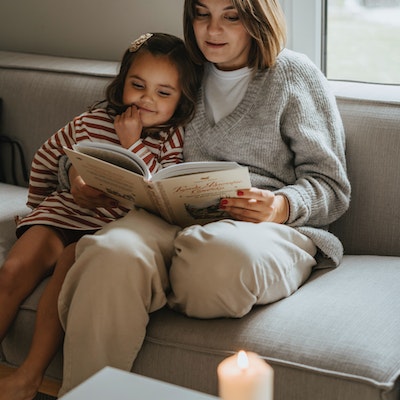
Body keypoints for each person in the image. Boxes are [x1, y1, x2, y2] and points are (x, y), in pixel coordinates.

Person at [56, 0, 350, 395]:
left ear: (257, 20)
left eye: (231, 16)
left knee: (218, 259)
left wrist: (281, 205)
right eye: (202, 14)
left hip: (263, 227)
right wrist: (78, 175)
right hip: (166, 218)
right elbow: (100, 128)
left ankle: (161, 278)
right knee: (109, 254)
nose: (213, 30)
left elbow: (331, 185)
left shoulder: (293, 75)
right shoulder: (181, 71)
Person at [0, 32, 200, 400]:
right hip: (66, 213)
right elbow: (52, 156)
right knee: (13, 270)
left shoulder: (173, 138)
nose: (146, 99)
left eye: (163, 93)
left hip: (109, 228)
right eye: (137, 85)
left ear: (182, 98)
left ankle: (29, 377)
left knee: (66, 276)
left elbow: (162, 190)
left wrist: (132, 143)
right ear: (122, 81)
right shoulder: (91, 120)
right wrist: (64, 184)